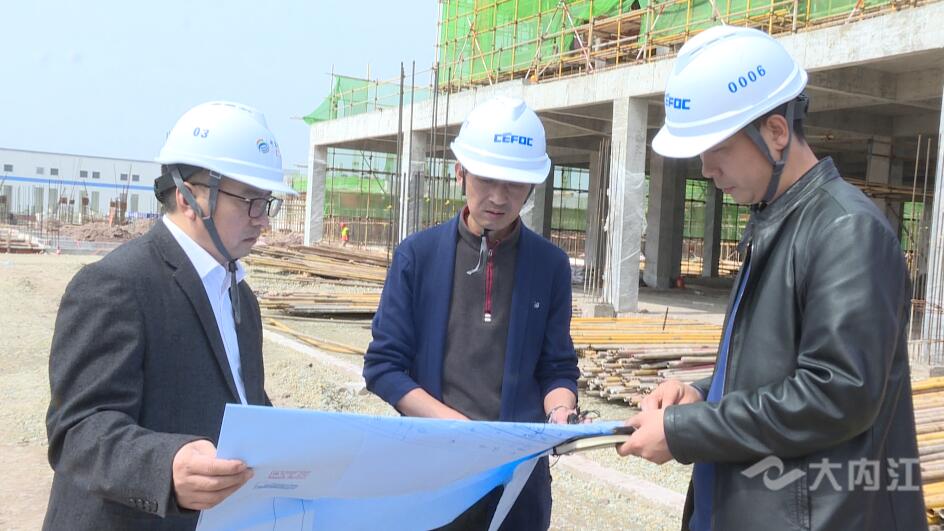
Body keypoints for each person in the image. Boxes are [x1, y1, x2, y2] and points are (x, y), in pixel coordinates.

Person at [616, 26, 926, 530]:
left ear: (777, 132)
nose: (706, 168)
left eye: (717, 147)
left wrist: (686, 430)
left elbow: (837, 393)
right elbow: (773, 371)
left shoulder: (846, 230)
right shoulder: (776, 220)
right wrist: (701, 393)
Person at [44, 101, 296, 530]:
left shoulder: (240, 296)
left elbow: (244, 401)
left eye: (266, 202)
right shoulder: (116, 285)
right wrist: (166, 466)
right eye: (249, 201)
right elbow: (78, 431)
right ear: (188, 196)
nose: (262, 221)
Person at [363, 96, 580, 530]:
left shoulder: (550, 266)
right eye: (485, 179)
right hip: (433, 473)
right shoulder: (417, 257)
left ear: (532, 185)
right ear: (460, 170)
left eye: (514, 184)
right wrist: (458, 430)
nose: (498, 197)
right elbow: (384, 367)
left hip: (518, 478)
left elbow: (556, 367)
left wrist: (561, 413)